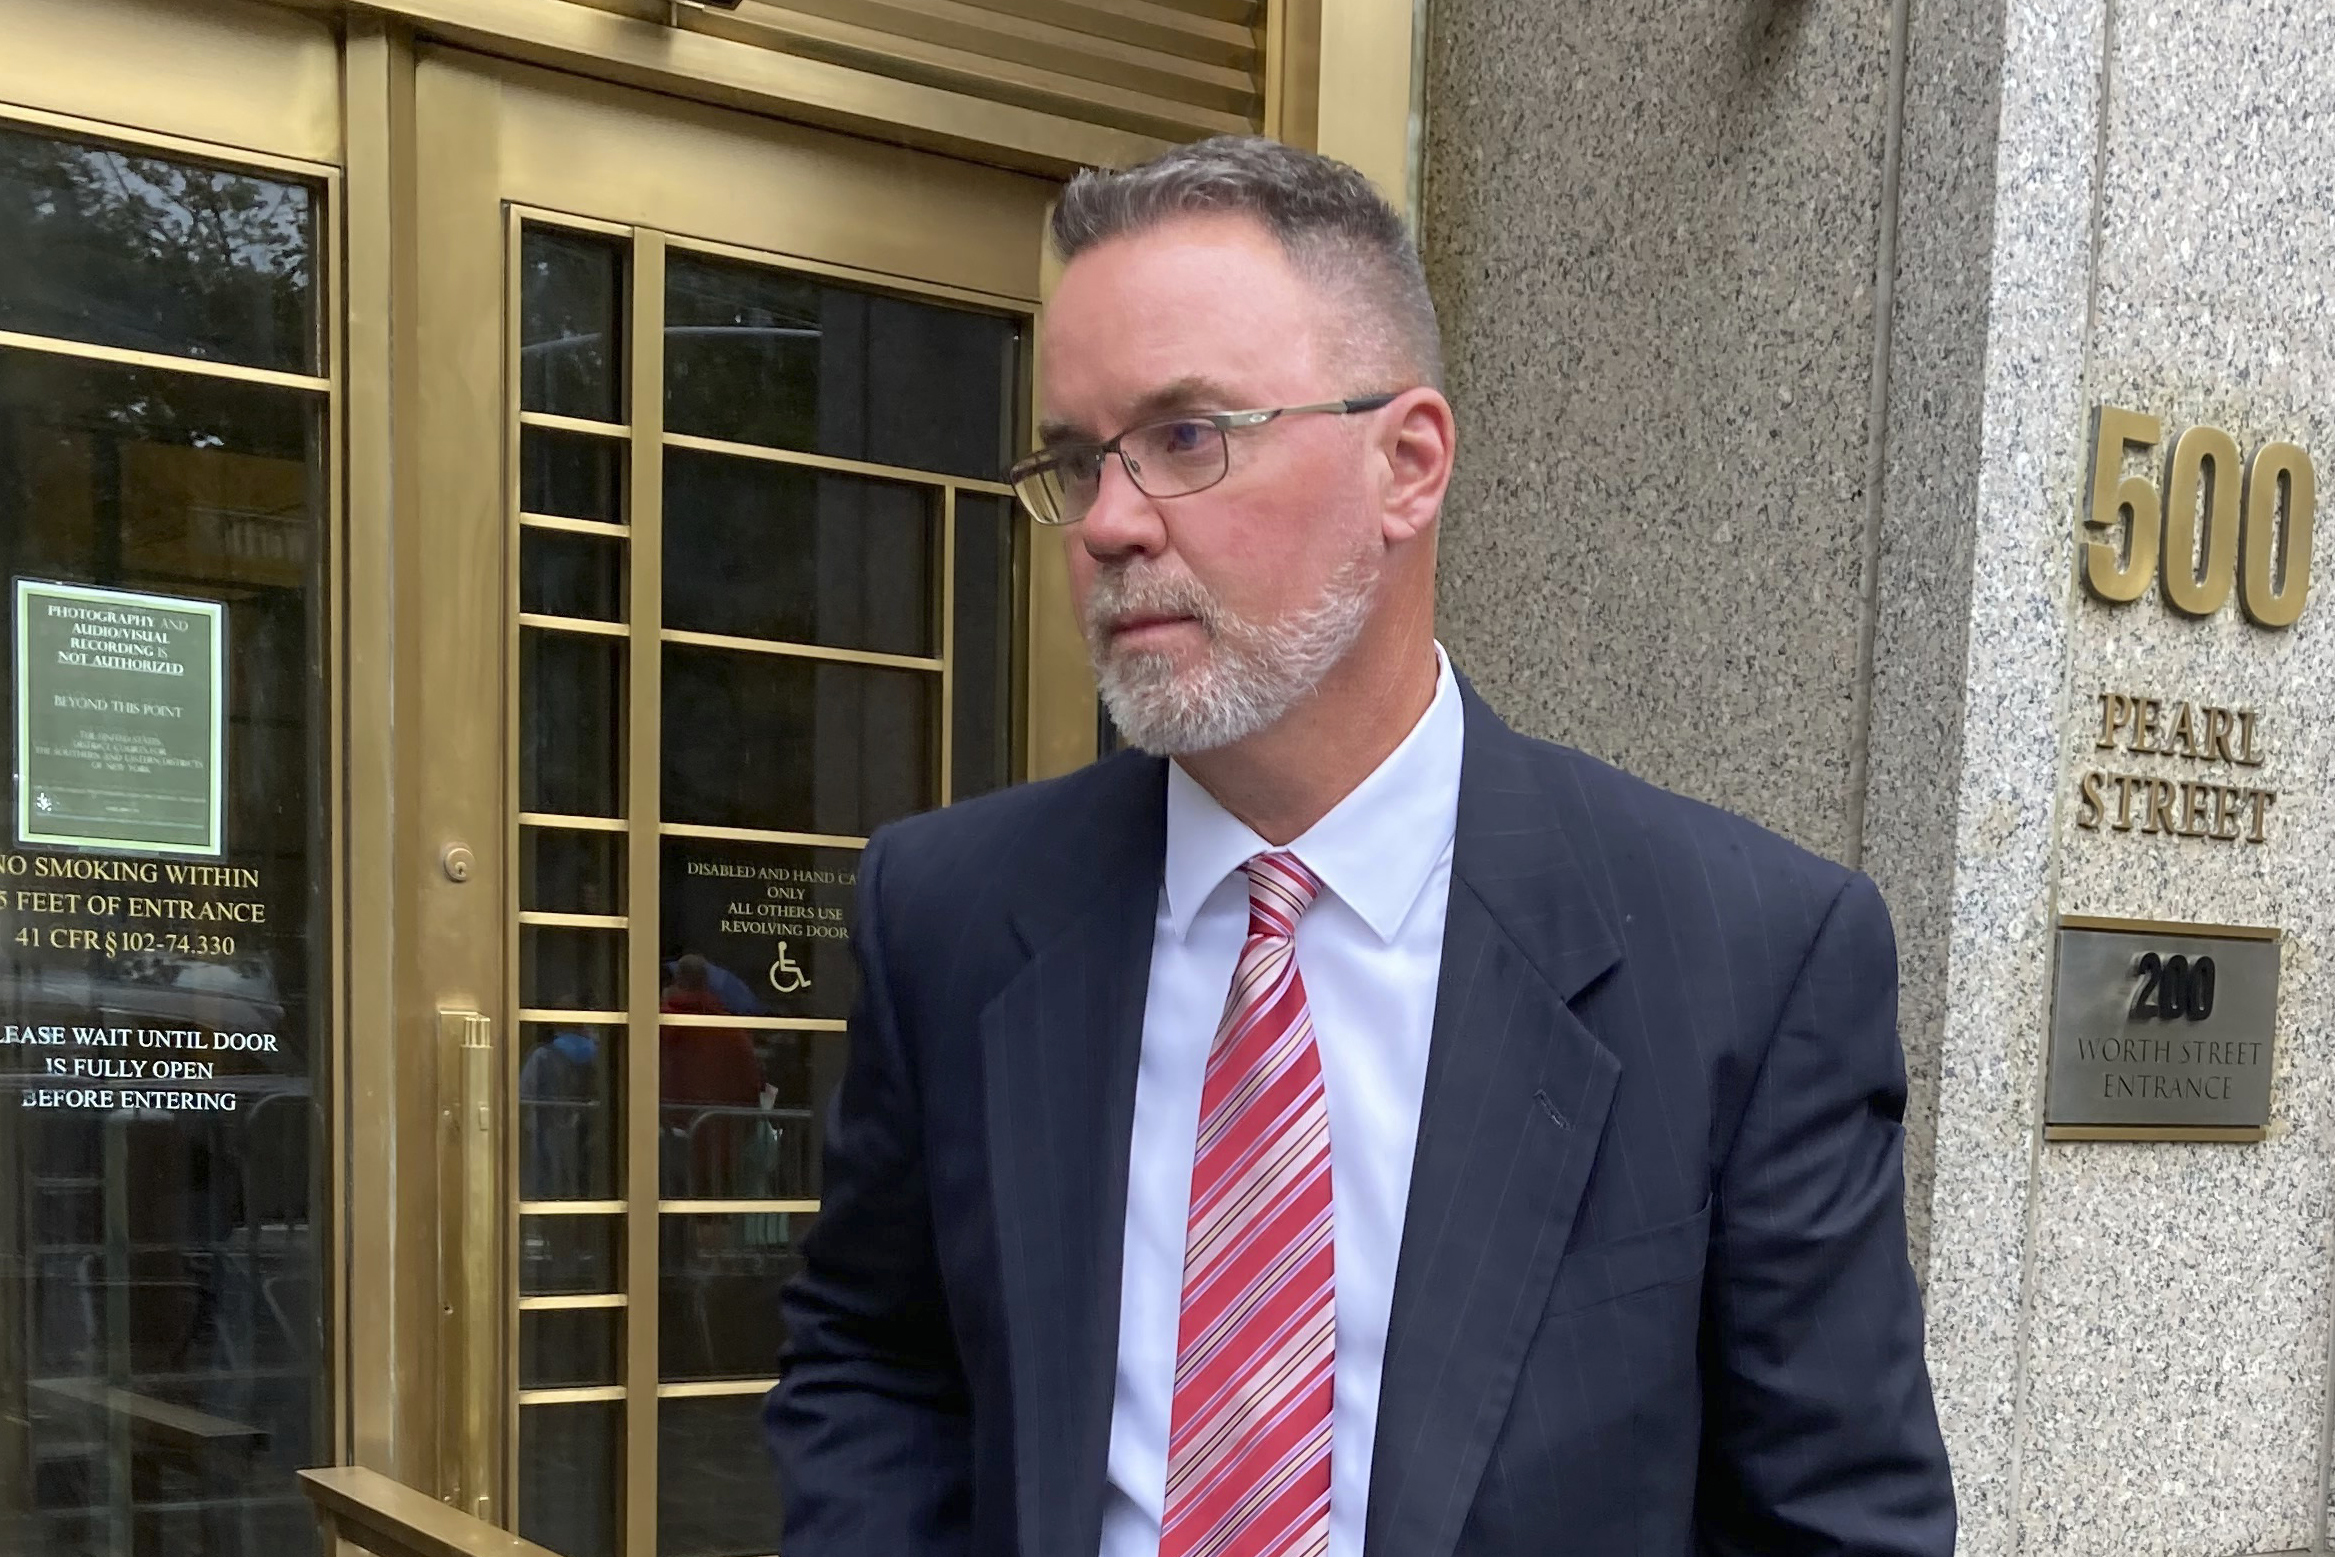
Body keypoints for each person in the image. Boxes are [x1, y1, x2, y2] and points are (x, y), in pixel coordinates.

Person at [768, 135, 1954, 1557]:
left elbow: (1838, 1522)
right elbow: (879, 1364)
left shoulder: (1748, 961)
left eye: (1187, 436)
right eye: (1078, 459)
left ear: (1408, 464)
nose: (1109, 524)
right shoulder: (951, 915)